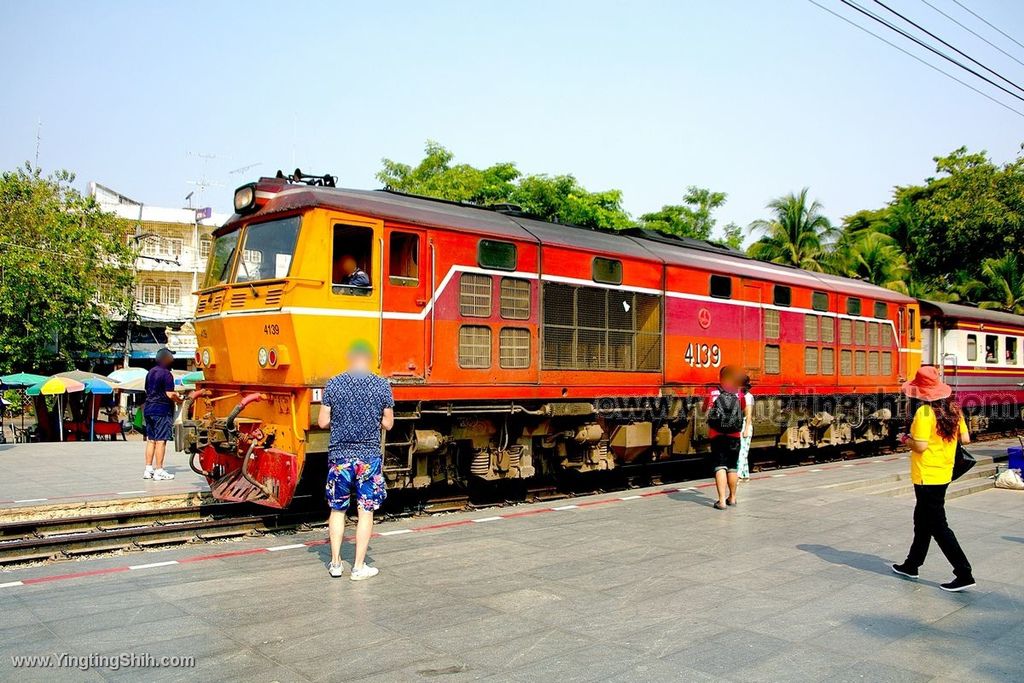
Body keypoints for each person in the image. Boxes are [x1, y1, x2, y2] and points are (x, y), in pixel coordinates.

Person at [892, 366, 975, 592]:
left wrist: (904, 439)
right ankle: (912, 564)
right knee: (922, 520)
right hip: (945, 472)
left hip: (927, 476)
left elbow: (920, 445)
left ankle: (964, 573)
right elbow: (966, 439)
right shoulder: (954, 410)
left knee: (938, 526)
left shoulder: (924, 413)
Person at [317, 339, 394, 581]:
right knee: (365, 511)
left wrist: (341, 420)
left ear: (350, 358)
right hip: (368, 458)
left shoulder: (334, 384)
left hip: (339, 457)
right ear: (368, 358)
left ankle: (336, 563)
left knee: (337, 510)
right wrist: (373, 419)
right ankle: (359, 567)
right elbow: (388, 424)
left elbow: (322, 422)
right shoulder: (382, 385)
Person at [705, 365, 746, 510]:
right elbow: (743, 411)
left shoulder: (713, 392)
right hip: (734, 435)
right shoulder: (739, 394)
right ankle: (733, 498)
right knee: (733, 467)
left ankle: (721, 501)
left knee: (720, 466)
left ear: (720, 377)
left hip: (717, 435)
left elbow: (706, 410)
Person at [143, 348, 183, 480]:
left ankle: (148, 469)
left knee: (151, 440)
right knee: (161, 441)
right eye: (171, 357)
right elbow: (169, 394)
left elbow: (147, 390)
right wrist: (180, 399)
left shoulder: (150, 372)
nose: (173, 360)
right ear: (165, 359)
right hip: (162, 410)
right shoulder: (166, 374)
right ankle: (159, 470)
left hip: (148, 408)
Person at [737, 373, 754, 480]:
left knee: (742, 451)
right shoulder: (742, 396)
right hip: (742, 424)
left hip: (745, 425)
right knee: (743, 450)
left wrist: (747, 429)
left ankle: (738, 474)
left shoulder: (748, 397)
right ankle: (745, 475)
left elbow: (748, 414)